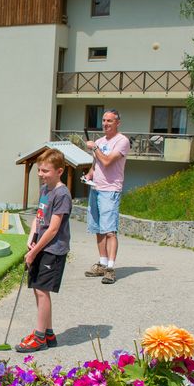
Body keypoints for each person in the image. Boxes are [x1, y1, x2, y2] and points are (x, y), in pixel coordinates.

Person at [16, 148, 72, 353]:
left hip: (53, 249)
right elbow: (39, 219)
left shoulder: (62, 194)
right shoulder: (45, 190)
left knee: (42, 290)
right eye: (39, 170)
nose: (41, 174)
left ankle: (39, 337)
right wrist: (32, 237)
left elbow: (54, 228)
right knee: (38, 288)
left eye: (45, 171)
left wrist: (34, 251)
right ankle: (47, 333)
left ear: (59, 171)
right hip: (40, 245)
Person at [84, 109, 130, 284]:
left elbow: (108, 161)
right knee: (98, 229)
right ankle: (102, 263)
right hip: (96, 188)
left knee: (110, 230)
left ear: (117, 123)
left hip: (110, 190)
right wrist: (89, 175)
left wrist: (94, 147)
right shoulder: (100, 141)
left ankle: (111, 268)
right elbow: (96, 165)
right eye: (103, 120)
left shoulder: (122, 141)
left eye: (109, 121)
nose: (105, 124)